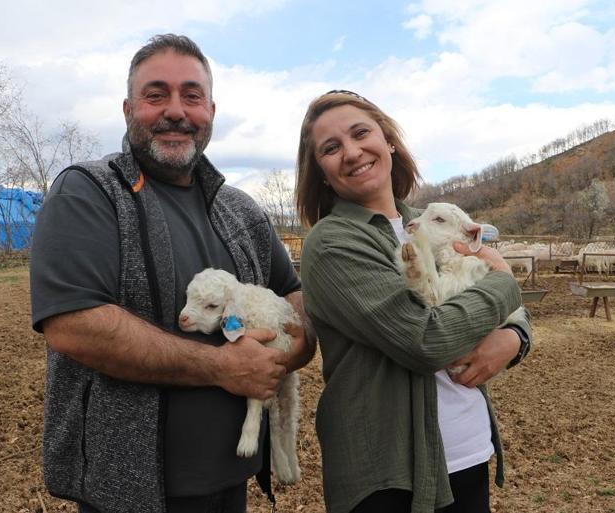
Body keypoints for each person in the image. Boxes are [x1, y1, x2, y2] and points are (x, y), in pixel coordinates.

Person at [29, 34, 316, 513]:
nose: (176, 110)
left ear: (211, 110)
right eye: (155, 94)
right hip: (131, 488)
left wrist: (296, 347)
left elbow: (294, 294)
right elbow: (75, 325)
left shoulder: (240, 209)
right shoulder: (89, 192)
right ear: (127, 109)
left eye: (192, 95)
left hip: (232, 475)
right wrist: (222, 368)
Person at [294, 90, 532, 513]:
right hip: (388, 476)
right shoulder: (333, 244)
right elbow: (426, 340)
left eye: (360, 133)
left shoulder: (430, 221)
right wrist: (505, 281)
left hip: (467, 451)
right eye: (331, 148)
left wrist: (514, 337)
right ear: (322, 172)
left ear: (387, 141)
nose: (351, 152)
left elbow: (488, 295)